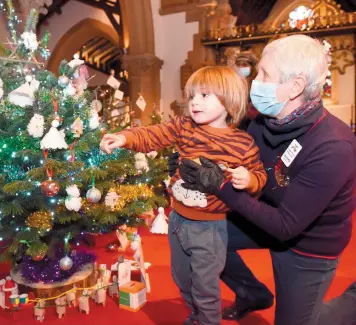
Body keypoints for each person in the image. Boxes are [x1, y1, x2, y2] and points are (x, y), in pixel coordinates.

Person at [175, 35, 356, 325]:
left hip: (307, 243)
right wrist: (192, 159)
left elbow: (285, 226)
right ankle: (252, 293)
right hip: (263, 212)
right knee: (202, 236)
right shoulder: (262, 120)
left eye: (264, 74)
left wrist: (218, 185)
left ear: (294, 86)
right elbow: (235, 157)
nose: (254, 81)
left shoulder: (333, 146)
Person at [100, 65, 267, 325]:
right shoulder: (185, 126)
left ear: (229, 101)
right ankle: (196, 317)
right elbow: (153, 133)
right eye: (192, 97)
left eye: (204, 96)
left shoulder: (242, 143)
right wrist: (125, 137)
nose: (194, 102)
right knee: (182, 279)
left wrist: (249, 180)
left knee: (205, 286)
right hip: (177, 220)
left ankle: (207, 320)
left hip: (210, 229)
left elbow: (259, 176)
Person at [234, 51, 259, 130]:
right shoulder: (234, 83)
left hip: (252, 124)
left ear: (252, 66)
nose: (241, 67)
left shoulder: (257, 85)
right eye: (238, 65)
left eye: (244, 65)